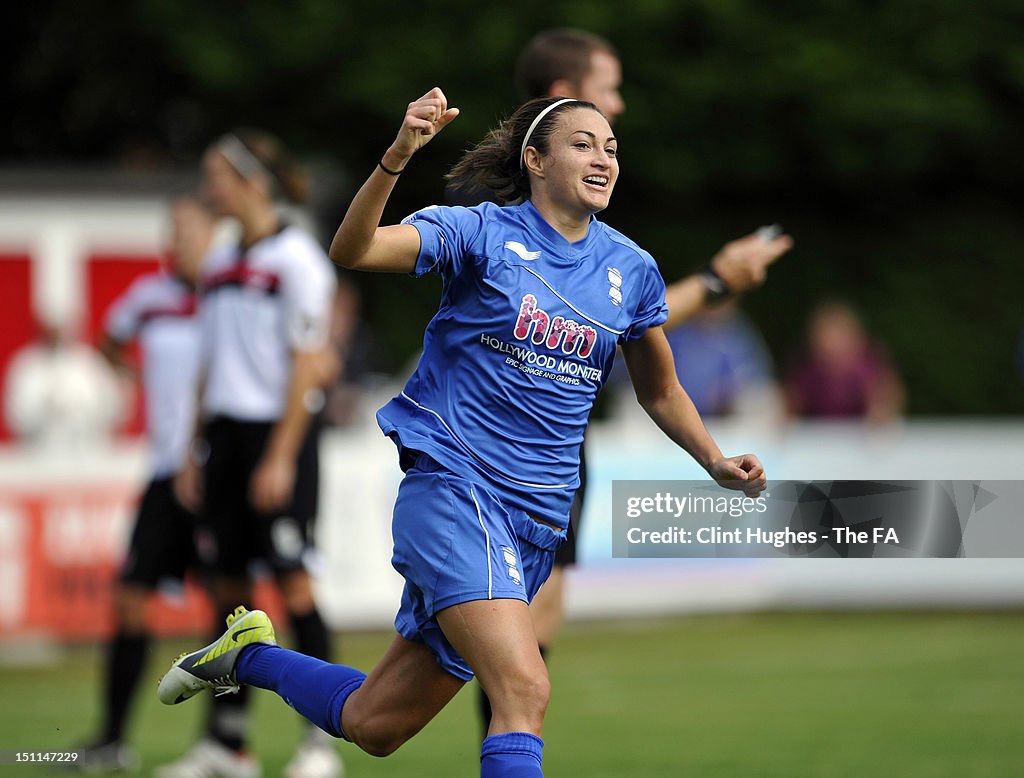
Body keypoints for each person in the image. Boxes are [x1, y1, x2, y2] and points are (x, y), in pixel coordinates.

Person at [157, 88, 767, 778]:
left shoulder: (631, 268)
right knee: (525, 687)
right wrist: (397, 157)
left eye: (612, 147)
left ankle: (244, 656)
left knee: (373, 724)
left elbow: (660, 388)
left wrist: (713, 459)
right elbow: (352, 249)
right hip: (455, 491)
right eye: (584, 144)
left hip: (537, 522)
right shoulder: (479, 232)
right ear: (534, 159)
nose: (604, 157)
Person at [461, 27, 795, 732]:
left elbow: (622, 323)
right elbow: (608, 324)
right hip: (510, 449)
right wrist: (714, 280)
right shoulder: (524, 216)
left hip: (534, 445)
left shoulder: (574, 205)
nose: (618, 107)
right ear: (564, 97)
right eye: (607, 89)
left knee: (472, 669)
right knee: (513, 649)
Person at [162, 130, 342, 778]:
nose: (210, 190)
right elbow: (208, 364)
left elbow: (308, 365)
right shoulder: (216, 260)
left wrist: (282, 456)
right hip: (228, 441)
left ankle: (319, 744)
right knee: (231, 595)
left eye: (219, 176)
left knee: (295, 587)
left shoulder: (298, 260)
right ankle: (227, 745)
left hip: (278, 437)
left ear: (252, 181)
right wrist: (192, 451)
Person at [71, 196, 213, 773]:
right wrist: (136, 375)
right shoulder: (149, 299)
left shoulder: (229, 295)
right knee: (130, 600)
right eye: (170, 231)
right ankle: (110, 740)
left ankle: (224, 742)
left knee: (229, 609)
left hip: (213, 470)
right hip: (163, 471)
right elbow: (109, 340)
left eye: (187, 231)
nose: (175, 241)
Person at [784, 299, 904, 422]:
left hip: (859, 437)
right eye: (826, 339)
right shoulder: (809, 371)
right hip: (822, 437)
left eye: (838, 339)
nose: (831, 346)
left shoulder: (867, 369)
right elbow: (790, 404)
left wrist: (881, 410)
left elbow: (887, 396)